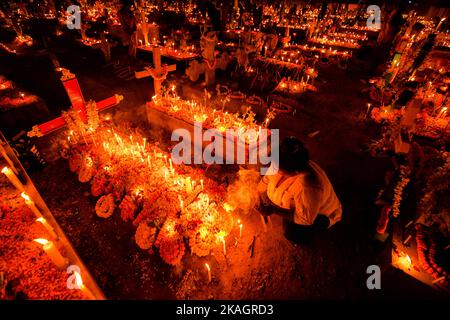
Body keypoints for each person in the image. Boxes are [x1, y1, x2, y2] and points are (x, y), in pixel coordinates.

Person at [257, 137, 342, 243]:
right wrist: (258, 192)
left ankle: (305, 238)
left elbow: (305, 218)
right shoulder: (285, 162)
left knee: (291, 233)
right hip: (300, 201)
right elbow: (267, 178)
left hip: (320, 215)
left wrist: (275, 210)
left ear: (295, 172)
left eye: (279, 168)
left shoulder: (308, 187)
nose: (274, 169)